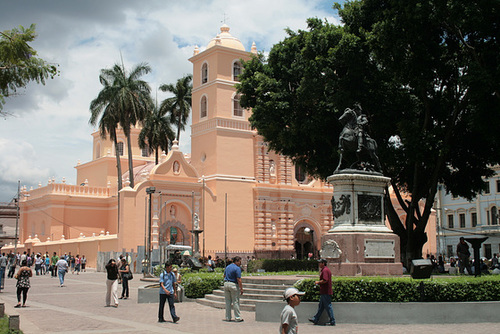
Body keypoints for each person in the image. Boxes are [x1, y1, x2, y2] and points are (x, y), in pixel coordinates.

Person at [308, 259, 336, 326]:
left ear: (323, 263)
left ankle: (332, 320)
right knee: (321, 306)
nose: (319, 264)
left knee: (328, 306)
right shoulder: (325, 270)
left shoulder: (325, 270)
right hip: (324, 291)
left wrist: (318, 282)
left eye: (320, 263)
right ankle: (316, 318)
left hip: (325, 291)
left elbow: (325, 280)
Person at [223, 256, 244, 322]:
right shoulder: (237, 268)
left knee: (228, 302)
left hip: (226, 283)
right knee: (235, 301)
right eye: (240, 262)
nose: (240, 263)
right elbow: (239, 279)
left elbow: (224, 275)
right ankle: (237, 317)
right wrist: (241, 288)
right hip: (233, 285)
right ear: (237, 261)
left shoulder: (228, 267)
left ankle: (228, 317)